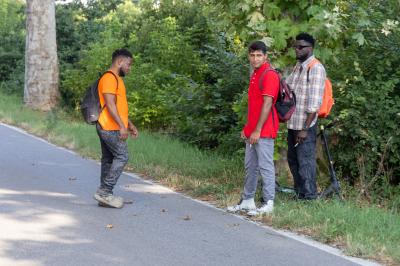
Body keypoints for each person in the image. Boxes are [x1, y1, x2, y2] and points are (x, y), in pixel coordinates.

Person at [227, 41, 280, 215]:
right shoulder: (256, 73)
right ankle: (248, 200)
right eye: (252, 55)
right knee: (250, 166)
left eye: (259, 55)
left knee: (265, 166)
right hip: (253, 130)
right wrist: (248, 128)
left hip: (264, 130)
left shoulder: (270, 74)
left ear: (265, 56)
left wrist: (257, 130)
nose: (255, 58)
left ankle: (268, 202)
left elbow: (267, 104)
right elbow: (254, 106)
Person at [93, 48, 138, 208]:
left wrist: (129, 124)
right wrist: (121, 126)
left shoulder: (117, 79)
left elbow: (119, 107)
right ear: (119, 61)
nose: (129, 68)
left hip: (109, 125)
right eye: (128, 64)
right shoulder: (109, 78)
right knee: (122, 156)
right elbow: (110, 105)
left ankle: (105, 197)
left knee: (108, 159)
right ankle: (104, 191)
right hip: (109, 126)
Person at [286, 33, 326, 200]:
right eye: (295, 46)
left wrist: (304, 129)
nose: (297, 49)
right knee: (293, 161)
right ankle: (299, 194)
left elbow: (314, 104)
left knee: (306, 162)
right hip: (292, 124)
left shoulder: (316, 68)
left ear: (311, 48)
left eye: (301, 47)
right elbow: (288, 87)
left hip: (305, 127)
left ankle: (309, 197)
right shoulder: (298, 66)